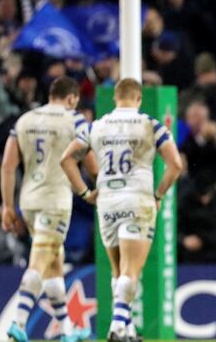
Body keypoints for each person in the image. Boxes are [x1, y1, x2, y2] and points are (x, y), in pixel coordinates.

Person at [60, 78, 183, 342]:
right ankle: (117, 326)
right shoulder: (150, 125)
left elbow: (67, 158)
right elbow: (175, 164)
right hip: (137, 199)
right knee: (131, 269)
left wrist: (84, 192)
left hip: (107, 201)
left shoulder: (97, 126)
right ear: (138, 99)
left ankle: (127, 329)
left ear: (115, 98)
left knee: (118, 271)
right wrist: (159, 194)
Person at [0, 77, 95, 342]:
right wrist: (99, 189)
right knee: (40, 261)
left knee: (54, 262)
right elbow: (90, 162)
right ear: (72, 98)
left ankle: (66, 330)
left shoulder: (25, 120)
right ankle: (18, 323)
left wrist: (7, 205)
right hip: (55, 201)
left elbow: (8, 165)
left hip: (29, 200)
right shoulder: (74, 120)